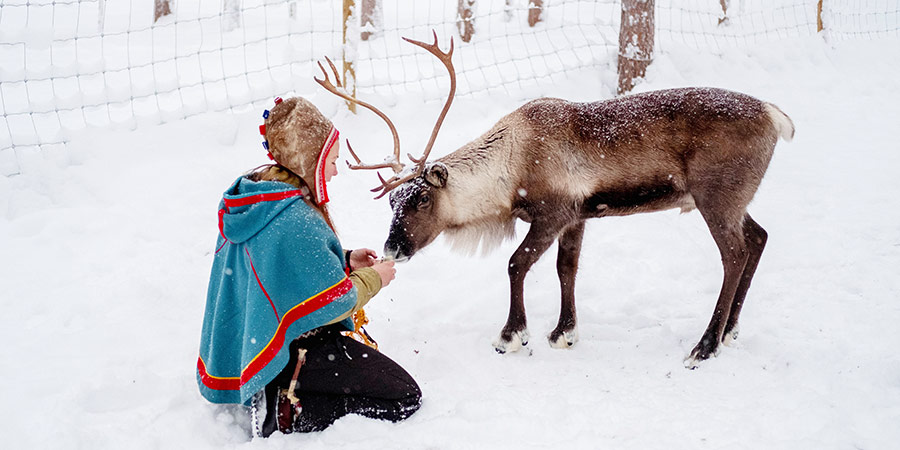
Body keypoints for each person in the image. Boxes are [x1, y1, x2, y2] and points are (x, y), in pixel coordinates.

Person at [196, 96, 421, 436]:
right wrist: (375, 278)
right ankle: (291, 410)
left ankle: (280, 384)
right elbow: (337, 300)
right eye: (330, 160)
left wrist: (344, 260)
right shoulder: (296, 218)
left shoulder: (257, 197)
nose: (334, 170)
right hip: (297, 348)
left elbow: (279, 265)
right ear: (309, 159)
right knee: (405, 396)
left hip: (259, 340)